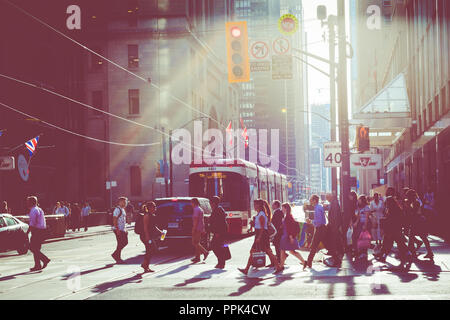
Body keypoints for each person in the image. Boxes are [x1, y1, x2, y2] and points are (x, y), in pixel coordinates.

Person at [238, 199, 282, 275]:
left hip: (261, 235)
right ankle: (278, 266)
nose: (254, 206)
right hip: (260, 234)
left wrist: (259, 237)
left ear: (259, 205)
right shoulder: (259, 214)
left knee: (262, 251)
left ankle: (278, 266)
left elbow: (262, 227)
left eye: (255, 205)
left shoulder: (261, 214)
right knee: (262, 251)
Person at [374, 196, 411, 268]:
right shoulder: (398, 209)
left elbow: (390, 220)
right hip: (397, 229)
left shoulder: (390, 210)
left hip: (391, 230)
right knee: (400, 244)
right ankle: (408, 255)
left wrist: (384, 220)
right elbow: (401, 219)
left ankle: (383, 256)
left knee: (387, 244)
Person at [405, 189, 434, 259]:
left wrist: (408, 206)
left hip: (418, 221)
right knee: (416, 236)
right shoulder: (414, 202)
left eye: (408, 196)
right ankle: (428, 252)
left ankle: (412, 252)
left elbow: (414, 212)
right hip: (417, 221)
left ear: (411, 196)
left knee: (421, 236)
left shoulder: (416, 202)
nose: (407, 197)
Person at [279, 202, 306, 269]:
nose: (281, 209)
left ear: (286, 208)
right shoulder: (287, 216)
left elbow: (290, 228)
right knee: (290, 251)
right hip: (287, 236)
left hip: (287, 236)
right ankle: (304, 262)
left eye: (282, 208)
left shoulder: (288, 216)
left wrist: (291, 237)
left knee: (284, 250)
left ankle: (281, 266)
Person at [27, 196, 50, 271]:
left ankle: (45, 259)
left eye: (28, 201)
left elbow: (32, 223)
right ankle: (37, 265)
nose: (27, 203)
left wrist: (27, 232)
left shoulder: (33, 210)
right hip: (42, 230)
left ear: (31, 202)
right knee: (36, 248)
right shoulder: (39, 209)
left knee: (32, 247)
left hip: (36, 231)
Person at [139, 202, 164, 272]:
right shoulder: (147, 215)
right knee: (151, 249)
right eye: (154, 207)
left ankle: (146, 266)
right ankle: (145, 265)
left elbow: (153, 226)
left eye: (155, 206)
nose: (155, 208)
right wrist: (147, 236)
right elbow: (145, 226)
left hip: (149, 236)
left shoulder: (152, 215)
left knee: (150, 250)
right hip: (145, 236)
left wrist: (160, 232)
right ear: (149, 208)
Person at [305, 195, 327, 269]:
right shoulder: (319, 207)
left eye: (311, 200)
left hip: (320, 229)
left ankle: (309, 262)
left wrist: (311, 221)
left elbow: (319, 221)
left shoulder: (317, 208)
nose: (310, 201)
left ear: (315, 200)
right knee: (327, 244)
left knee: (314, 245)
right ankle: (309, 262)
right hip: (322, 228)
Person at [209, 196, 229, 269]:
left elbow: (220, 222)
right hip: (218, 231)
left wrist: (218, 232)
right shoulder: (217, 209)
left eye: (210, 203)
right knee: (217, 246)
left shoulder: (218, 210)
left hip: (219, 232)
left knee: (215, 246)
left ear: (213, 203)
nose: (210, 204)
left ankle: (221, 262)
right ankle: (221, 262)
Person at [325, 193, 343, 267]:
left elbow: (335, 215)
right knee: (336, 241)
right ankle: (338, 255)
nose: (326, 199)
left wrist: (333, 225)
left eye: (327, 198)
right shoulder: (333, 203)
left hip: (334, 226)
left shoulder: (334, 203)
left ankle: (337, 258)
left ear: (330, 197)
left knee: (334, 242)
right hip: (334, 226)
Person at [352, 195, 371, 260]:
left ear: (362, 200)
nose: (358, 200)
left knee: (364, 238)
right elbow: (358, 216)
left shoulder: (366, 207)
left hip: (364, 224)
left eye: (359, 199)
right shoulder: (358, 207)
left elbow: (367, 217)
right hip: (359, 224)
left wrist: (365, 225)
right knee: (360, 238)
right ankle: (360, 252)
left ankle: (364, 253)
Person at [191, 198, 209, 263]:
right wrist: (203, 228)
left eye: (191, 203)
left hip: (197, 228)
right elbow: (202, 220)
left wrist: (193, 229)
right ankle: (197, 257)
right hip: (200, 227)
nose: (191, 204)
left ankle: (205, 252)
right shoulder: (200, 209)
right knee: (197, 242)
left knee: (195, 242)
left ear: (194, 203)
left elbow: (195, 220)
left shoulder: (196, 209)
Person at [112, 197, 128, 264]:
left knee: (124, 242)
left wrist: (125, 229)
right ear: (119, 202)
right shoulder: (117, 209)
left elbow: (123, 220)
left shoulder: (122, 209)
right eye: (123, 202)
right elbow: (115, 219)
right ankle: (117, 257)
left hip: (122, 229)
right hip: (118, 229)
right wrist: (117, 229)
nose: (125, 203)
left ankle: (116, 255)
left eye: (126, 202)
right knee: (121, 243)